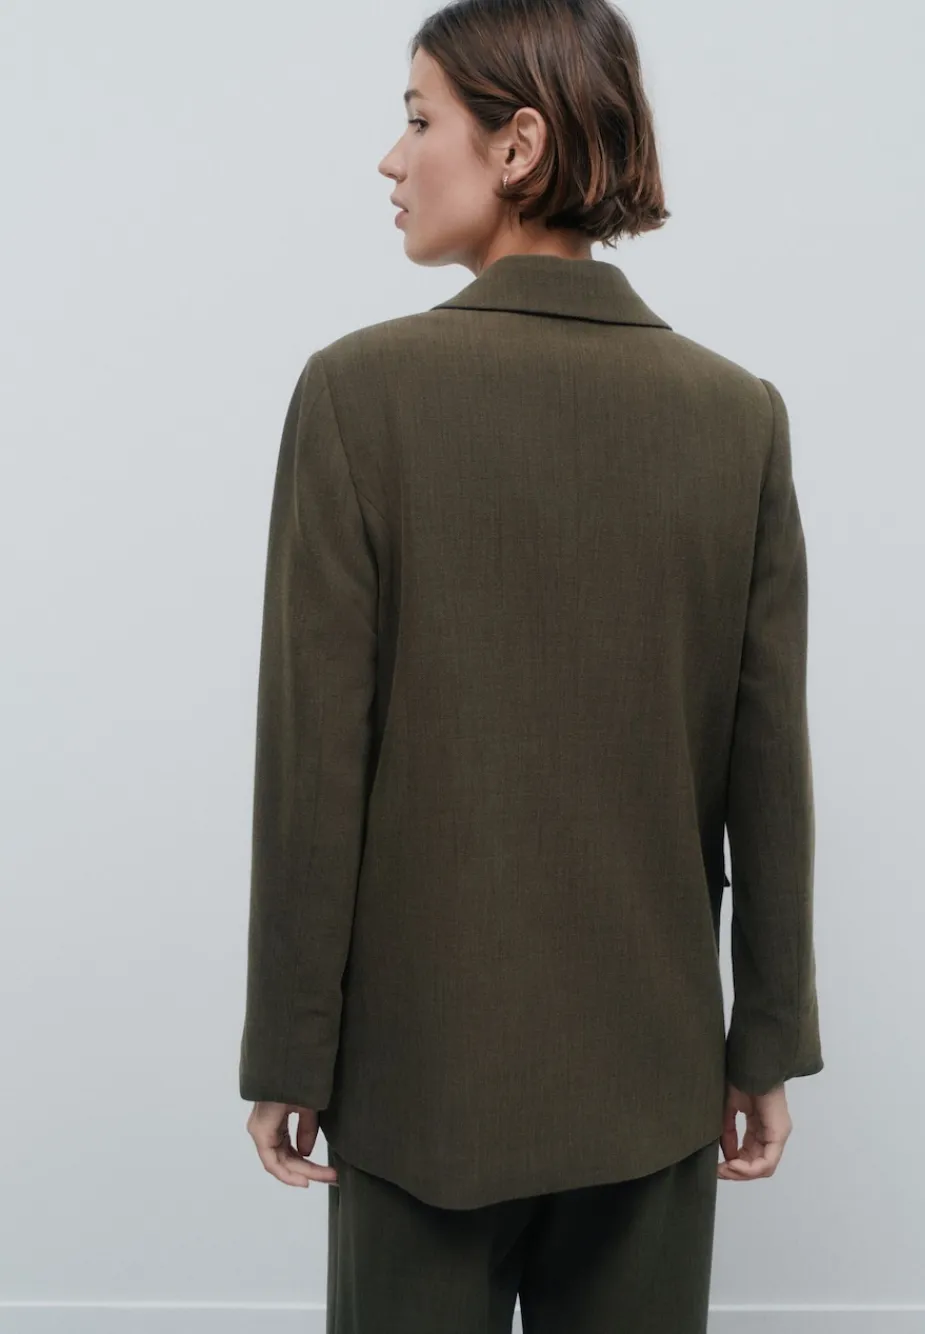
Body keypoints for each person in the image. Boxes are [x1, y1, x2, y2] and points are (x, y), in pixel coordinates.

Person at [239, 0, 824, 1329]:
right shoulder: (738, 418)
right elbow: (768, 768)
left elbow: (315, 765)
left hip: (418, 1090)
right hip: (653, 1081)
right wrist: (765, 1039)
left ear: (518, 146)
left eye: (417, 119)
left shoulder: (358, 394)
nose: (391, 159)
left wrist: (291, 1049)